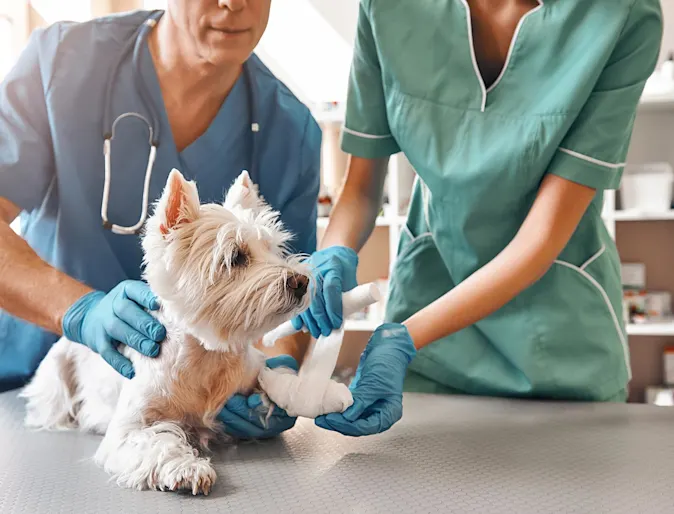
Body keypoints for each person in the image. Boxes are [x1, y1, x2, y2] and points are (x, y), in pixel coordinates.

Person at [293, 0, 664, 436]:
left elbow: (540, 238)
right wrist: (333, 253)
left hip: (559, 345)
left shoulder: (621, 15)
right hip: (430, 326)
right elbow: (360, 188)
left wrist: (403, 340)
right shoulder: (389, 8)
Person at [0, 0, 320, 440]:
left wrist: (278, 371)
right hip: (32, 392)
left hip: (196, 410)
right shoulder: (59, 63)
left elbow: (290, 303)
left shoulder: (291, 130)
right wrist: (79, 312)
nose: (234, 4)